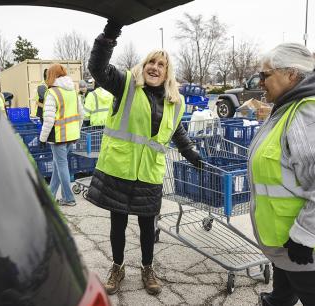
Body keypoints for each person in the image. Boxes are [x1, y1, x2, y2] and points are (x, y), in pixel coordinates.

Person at [86, 20, 202, 296]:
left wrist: (191, 153)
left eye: (161, 65)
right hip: (120, 168)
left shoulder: (175, 101)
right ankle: (117, 266)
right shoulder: (125, 84)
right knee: (118, 223)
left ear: (167, 72)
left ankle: (148, 268)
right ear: (144, 65)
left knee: (148, 225)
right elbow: (97, 69)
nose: (155, 67)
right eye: (151, 62)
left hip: (149, 171)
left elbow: (177, 131)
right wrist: (109, 36)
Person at [249, 43, 315, 306]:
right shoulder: (291, 106)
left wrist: (306, 237)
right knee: (283, 290)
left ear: (291, 75)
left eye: (266, 75)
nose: (261, 82)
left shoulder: (311, 112)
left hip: (307, 247)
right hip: (287, 238)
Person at [39, 64, 84, 206]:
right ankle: (50, 195)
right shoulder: (72, 91)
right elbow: (81, 114)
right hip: (72, 135)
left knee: (61, 166)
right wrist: (76, 130)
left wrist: (42, 138)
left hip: (58, 137)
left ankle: (68, 198)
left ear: (51, 75)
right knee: (58, 165)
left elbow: (48, 119)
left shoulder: (52, 93)